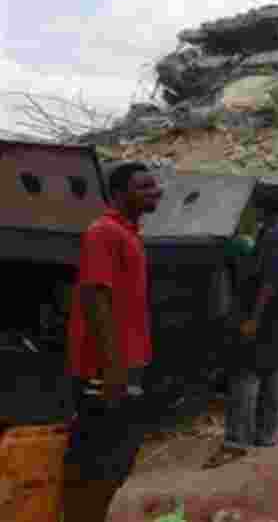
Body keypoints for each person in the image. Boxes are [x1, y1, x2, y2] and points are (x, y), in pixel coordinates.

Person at [62, 161, 163, 522]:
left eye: (154, 185)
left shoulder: (128, 234)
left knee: (117, 459)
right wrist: (112, 368)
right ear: (120, 194)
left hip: (125, 366)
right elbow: (95, 297)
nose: (157, 192)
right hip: (104, 370)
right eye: (145, 187)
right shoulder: (103, 232)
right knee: (96, 462)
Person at [204, 193, 278, 468]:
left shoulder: (272, 237)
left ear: (261, 211)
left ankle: (238, 440)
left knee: (245, 377)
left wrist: (253, 319)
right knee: (273, 376)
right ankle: (268, 437)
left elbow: (268, 282)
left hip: (262, 321)